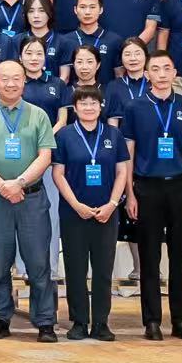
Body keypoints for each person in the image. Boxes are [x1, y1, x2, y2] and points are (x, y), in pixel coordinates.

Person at [0, 59, 59, 341]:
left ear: (24, 82)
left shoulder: (38, 115)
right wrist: (2, 185)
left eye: (16, 78)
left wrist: (19, 183)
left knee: (39, 262)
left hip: (31, 198)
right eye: (4, 78)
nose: (10, 84)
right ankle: (0, 319)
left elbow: (45, 156)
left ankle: (45, 322)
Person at [123, 49, 182, 340]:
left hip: (181, 186)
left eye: (166, 68)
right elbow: (128, 152)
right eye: (155, 69)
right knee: (149, 256)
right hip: (147, 187)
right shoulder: (135, 107)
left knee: (180, 256)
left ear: (174, 73)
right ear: (147, 74)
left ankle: (181, 320)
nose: (161, 74)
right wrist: (130, 193)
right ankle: (152, 321)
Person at [52, 84, 130, 342]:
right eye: (83, 103)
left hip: (107, 213)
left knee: (103, 270)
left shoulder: (113, 135)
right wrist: (76, 205)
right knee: (75, 269)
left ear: (101, 106)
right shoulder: (64, 136)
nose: (88, 107)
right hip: (74, 212)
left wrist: (112, 204)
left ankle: (101, 323)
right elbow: (58, 174)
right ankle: (78, 322)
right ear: (75, 108)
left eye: (93, 103)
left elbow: (122, 172)